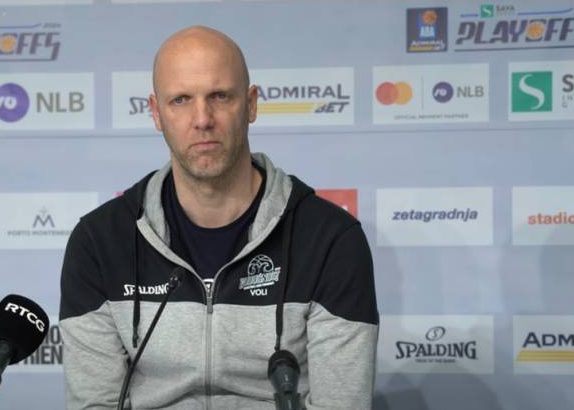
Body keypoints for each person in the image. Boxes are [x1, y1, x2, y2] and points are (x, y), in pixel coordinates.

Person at [59, 25, 378, 409]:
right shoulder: (99, 242)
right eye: (180, 100)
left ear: (251, 104)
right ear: (156, 113)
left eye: (220, 96)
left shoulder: (330, 239)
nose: (202, 119)